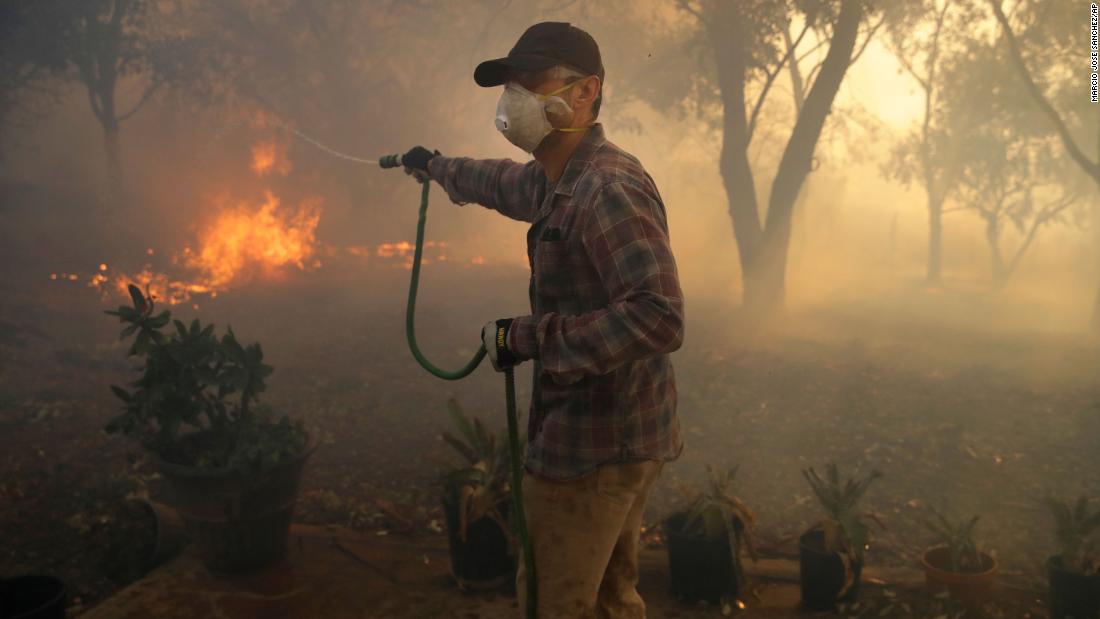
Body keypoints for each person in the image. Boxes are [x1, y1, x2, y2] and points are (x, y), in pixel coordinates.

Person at [401, 21, 684, 619]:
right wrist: (437, 167)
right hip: (616, 439)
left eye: (533, 82)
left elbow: (657, 316)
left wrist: (524, 336)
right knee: (608, 599)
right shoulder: (561, 177)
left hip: (595, 448)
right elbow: (505, 184)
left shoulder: (607, 187)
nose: (515, 100)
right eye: (509, 85)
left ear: (587, 92)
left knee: (553, 601)